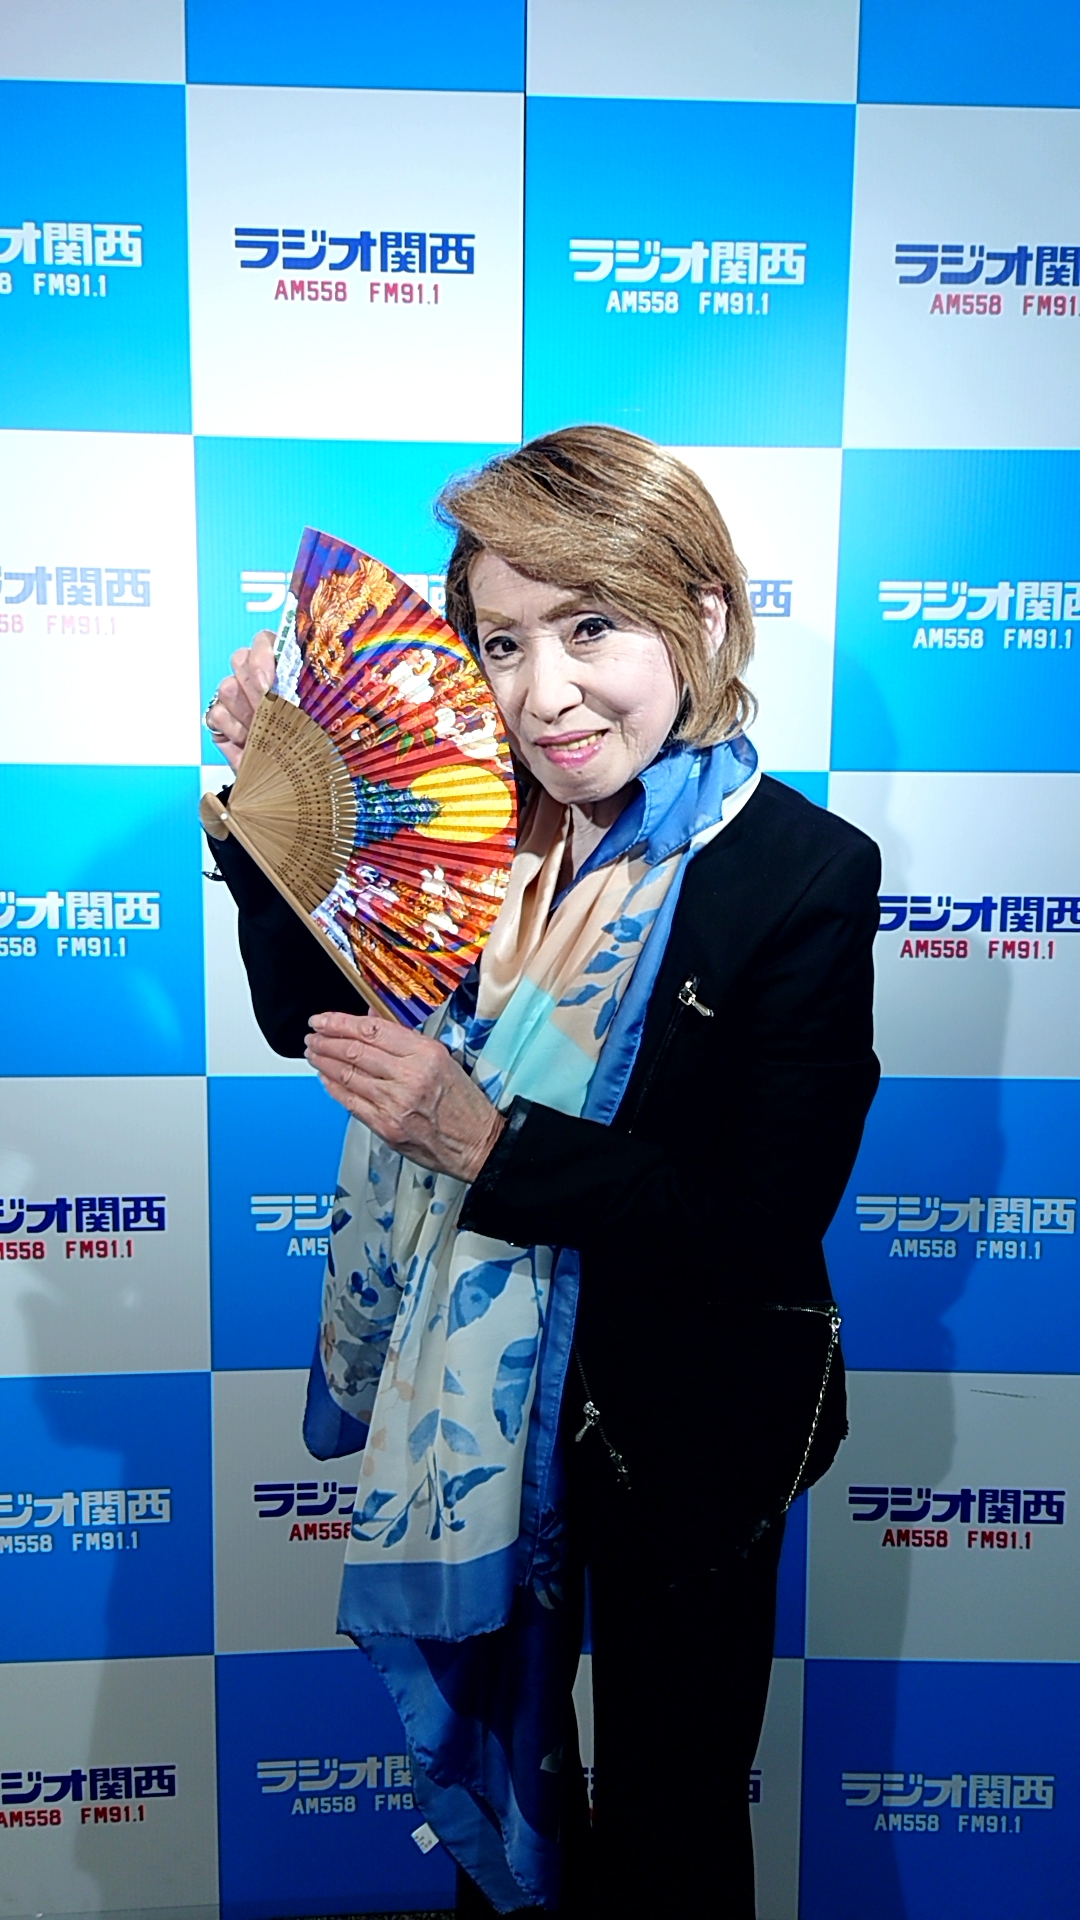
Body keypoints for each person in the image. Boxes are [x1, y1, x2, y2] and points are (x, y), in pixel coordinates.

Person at [204, 426, 880, 1918]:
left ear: (701, 616)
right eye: (502, 642)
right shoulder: (469, 824)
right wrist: (264, 817)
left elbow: (757, 1225)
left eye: (591, 628)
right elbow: (305, 1013)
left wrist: (485, 1144)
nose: (545, 692)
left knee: (669, 1824)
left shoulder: (800, 873)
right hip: (471, 1420)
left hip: (681, 1429)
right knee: (507, 1836)